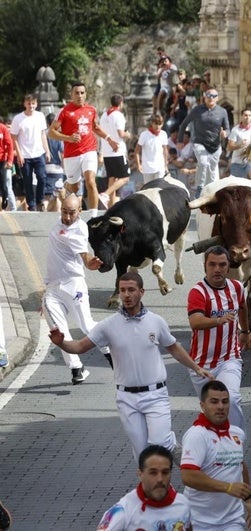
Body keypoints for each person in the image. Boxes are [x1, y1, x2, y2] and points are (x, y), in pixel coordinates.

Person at [49, 271, 213, 461]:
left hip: (155, 395)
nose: (126, 295)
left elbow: (174, 348)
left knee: (161, 443)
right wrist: (61, 343)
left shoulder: (156, 321)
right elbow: (79, 347)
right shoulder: (108, 326)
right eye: (122, 290)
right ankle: (153, 489)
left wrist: (196, 368)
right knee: (142, 453)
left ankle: (188, 462)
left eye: (131, 290)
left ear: (141, 292)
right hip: (127, 398)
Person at [42, 193, 111, 384]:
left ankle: (111, 347)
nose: (67, 216)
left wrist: (92, 264)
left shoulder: (79, 229)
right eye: (64, 211)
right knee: (58, 330)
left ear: (80, 212)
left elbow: (85, 257)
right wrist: (46, 286)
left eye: (71, 213)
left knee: (87, 326)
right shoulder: (58, 224)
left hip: (73, 284)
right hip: (53, 288)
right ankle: (76, 367)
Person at [188, 246, 251, 431]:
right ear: (205, 266)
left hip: (229, 358)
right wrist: (219, 320)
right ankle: (215, 447)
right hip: (201, 365)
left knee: (230, 398)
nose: (217, 269)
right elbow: (195, 322)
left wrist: (245, 331)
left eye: (222, 265)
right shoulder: (198, 292)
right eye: (212, 264)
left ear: (228, 266)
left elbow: (243, 307)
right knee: (213, 411)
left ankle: (236, 443)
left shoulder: (237, 287)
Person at [181, 380, 251, 531]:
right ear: (202, 406)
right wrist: (228, 487)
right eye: (214, 402)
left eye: (225, 402)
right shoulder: (197, 435)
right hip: (199, 522)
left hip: (232, 520)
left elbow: (240, 466)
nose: (220, 407)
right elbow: (188, 476)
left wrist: (249, 499)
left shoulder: (237, 433)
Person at [48, 82, 119, 212]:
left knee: (91, 181)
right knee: (73, 189)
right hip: (72, 154)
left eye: (82, 93)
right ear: (72, 95)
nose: (80, 96)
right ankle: (63, 193)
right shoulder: (64, 111)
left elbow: (95, 127)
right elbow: (51, 132)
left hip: (89, 151)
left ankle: (93, 216)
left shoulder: (91, 110)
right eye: (77, 93)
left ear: (85, 94)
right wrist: (68, 138)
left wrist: (110, 140)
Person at [96, 445, 192, 530]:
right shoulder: (123, 511)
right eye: (153, 473)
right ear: (140, 474)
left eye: (165, 472)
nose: (160, 479)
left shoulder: (183, 504)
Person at [177, 85, 229, 197]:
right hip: (199, 142)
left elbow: (227, 128)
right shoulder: (197, 110)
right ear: (204, 97)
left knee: (212, 170)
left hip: (215, 145)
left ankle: (211, 192)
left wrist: (225, 133)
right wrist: (180, 140)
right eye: (208, 95)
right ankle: (199, 187)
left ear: (217, 98)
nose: (211, 98)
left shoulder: (222, 111)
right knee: (203, 163)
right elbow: (183, 124)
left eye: (214, 96)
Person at [10, 94, 51, 212]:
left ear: (36, 104)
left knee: (42, 177)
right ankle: (31, 204)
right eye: (29, 103)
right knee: (27, 181)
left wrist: (47, 151)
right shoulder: (18, 118)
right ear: (25, 104)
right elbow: (14, 137)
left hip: (39, 153)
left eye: (33, 103)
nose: (31, 106)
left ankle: (40, 200)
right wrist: (19, 154)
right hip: (25, 155)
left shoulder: (40, 116)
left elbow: (43, 134)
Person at [98, 94, 132, 207]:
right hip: (117, 150)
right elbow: (121, 133)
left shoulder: (104, 115)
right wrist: (128, 134)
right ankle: (105, 194)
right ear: (121, 103)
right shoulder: (118, 115)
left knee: (112, 179)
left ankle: (111, 207)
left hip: (107, 151)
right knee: (125, 178)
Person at [135, 114, 169, 184]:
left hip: (160, 167)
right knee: (148, 189)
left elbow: (165, 151)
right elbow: (136, 151)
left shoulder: (163, 134)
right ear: (152, 123)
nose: (158, 126)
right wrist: (138, 165)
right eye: (156, 124)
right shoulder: (144, 135)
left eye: (160, 124)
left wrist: (165, 166)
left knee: (159, 188)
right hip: (147, 168)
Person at [227, 109, 251, 179]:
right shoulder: (235, 130)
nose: (248, 117)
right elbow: (229, 147)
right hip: (237, 162)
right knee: (237, 186)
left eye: (250, 115)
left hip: (250, 160)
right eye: (245, 115)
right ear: (241, 116)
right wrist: (240, 145)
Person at [0, 118, 14, 212]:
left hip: (1, 161)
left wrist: (10, 161)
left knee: (3, 184)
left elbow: (10, 146)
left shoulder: (3, 128)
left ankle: (5, 200)